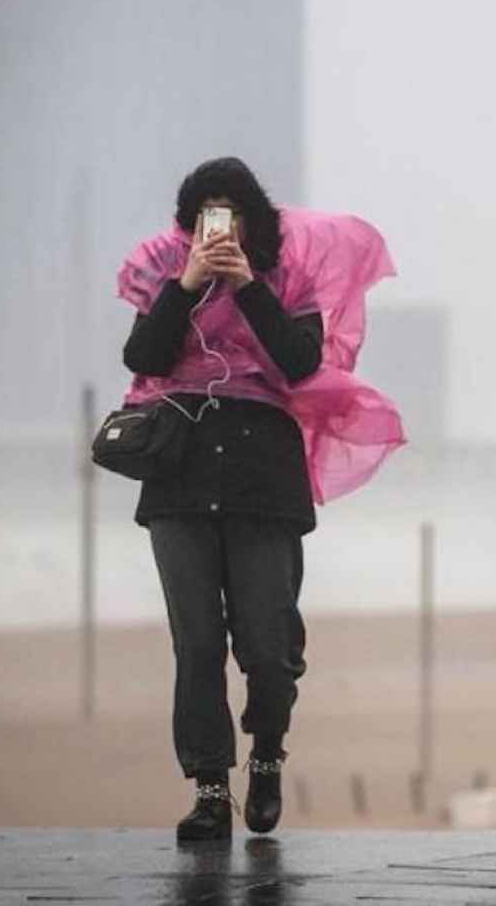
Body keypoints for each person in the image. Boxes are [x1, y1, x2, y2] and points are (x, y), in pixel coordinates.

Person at [118, 156, 405, 841]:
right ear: (190, 223)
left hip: (263, 476)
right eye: (209, 213)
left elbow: (301, 361)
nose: (223, 225)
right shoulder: (165, 270)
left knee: (269, 647)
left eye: (234, 210)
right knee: (197, 643)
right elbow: (145, 357)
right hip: (181, 475)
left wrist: (247, 287)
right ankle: (212, 789)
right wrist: (187, 285)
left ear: (254, 219)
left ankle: (268, 755)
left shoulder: (288, 276)